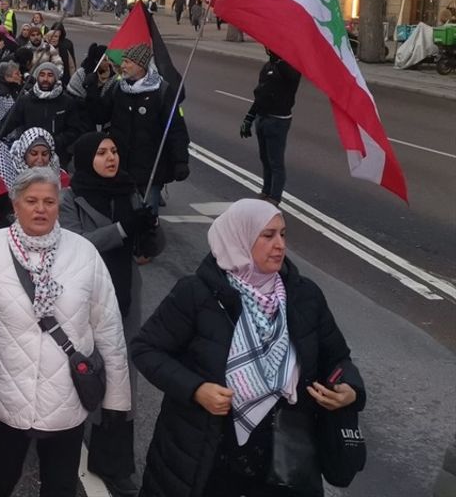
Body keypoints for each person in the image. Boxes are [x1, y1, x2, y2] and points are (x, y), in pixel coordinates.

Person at [132, 199, 366, 497]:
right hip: (207, 455)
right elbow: (146, 349)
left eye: (282, 234)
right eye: (267, 236)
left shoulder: (304, 296)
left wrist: (351, 390)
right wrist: (196, 390)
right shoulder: (197, 293)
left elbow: (338, 359)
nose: (279, 244)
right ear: (239, 238)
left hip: (283, 460)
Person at [0, 167, 131, 497]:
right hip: (6, 394)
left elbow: (108, 329)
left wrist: (116, 402)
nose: (41, 209)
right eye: (32, 201)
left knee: (60, 486)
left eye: (49, 201)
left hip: (67, 398)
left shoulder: (84, 253)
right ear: (15, 203)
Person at [59, 132, 161, 496]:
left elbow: (147, 248)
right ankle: (63, 446)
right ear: (87, 158)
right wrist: (123, 229)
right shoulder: (71, 198)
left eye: (115, 151)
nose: (110, 158)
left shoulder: (129, 191)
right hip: (87, 302)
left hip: (124, 297)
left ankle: (116, 464)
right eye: (102, 152)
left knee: (121, 382)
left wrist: (149, 232)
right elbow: (76, 243)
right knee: (85, 377)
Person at [85, 43, 190, 212]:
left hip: (149, 169)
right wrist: (92, 90)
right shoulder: (118, 88)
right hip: (120, 167)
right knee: (121, 214)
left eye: (127, 62)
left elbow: (175, 128)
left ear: (141, 65)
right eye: (123, 62)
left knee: (147, 217)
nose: (123, 66)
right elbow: (99, 116)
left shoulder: (162, 91)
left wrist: (181, 161)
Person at [241, 50, 301, 204]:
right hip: (262, 117)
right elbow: (260, 95)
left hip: (278, 120)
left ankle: (275, 197)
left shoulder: (291, 67)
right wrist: (249, 117)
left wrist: (280, 60)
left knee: (276, 161)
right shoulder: (268, 66)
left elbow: (292, 78)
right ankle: (265, 191)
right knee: (265, 158)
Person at [0, 61, 85, 164]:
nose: (45, 79)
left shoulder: (67, 102)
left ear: (56, 78)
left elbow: (75, 130)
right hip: (30, 156)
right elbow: (7, 124)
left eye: (50, 75)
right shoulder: (25, 101)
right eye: (42, 75)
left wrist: (56, 141)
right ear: (37, 77)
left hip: (58, 157)